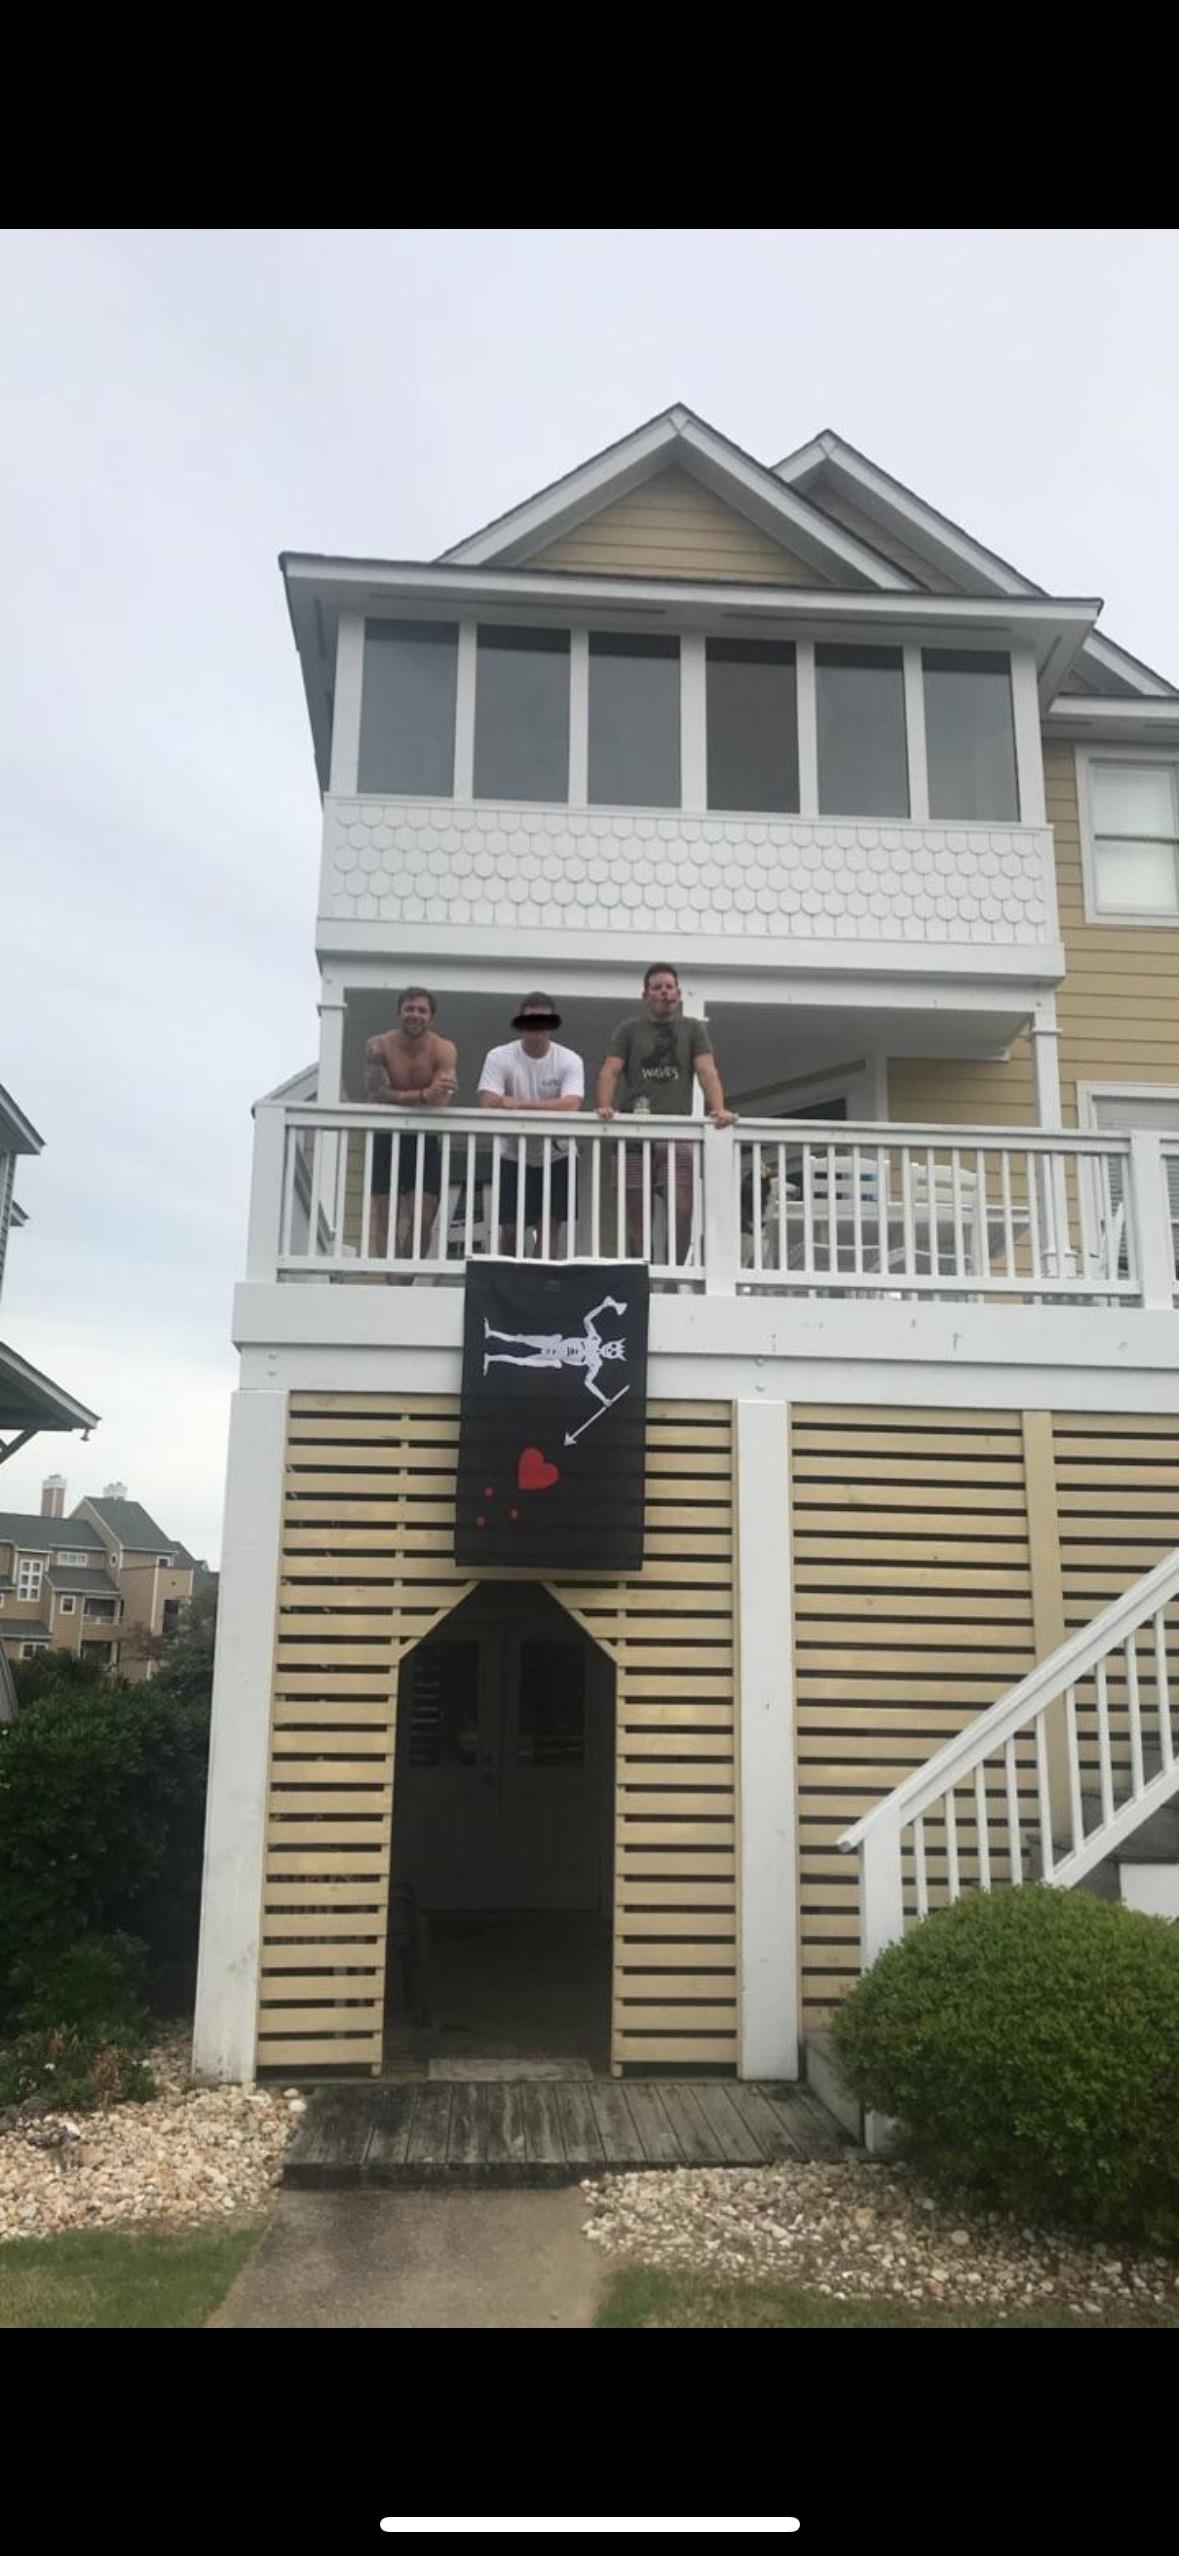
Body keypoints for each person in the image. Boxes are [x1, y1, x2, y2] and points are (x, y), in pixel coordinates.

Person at [597, 963, 735, 1265]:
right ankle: (643, 1274)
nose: (664, 992)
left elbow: (706, 1070)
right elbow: (611, 1070)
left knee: (681, 1208)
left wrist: (719, 1109)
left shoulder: (692, 1029)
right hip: (634, 1134)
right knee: (637, 1214)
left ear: (679, 993)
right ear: (646, 995)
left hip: (675, 1133)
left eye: (669, 987)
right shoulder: (629, 1030)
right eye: (657, 987)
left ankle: (673, 1274)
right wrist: (606, 1105)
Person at [477, 993, 584, 1255]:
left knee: (549, 1227)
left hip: (558, 1155)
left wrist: (520, 1104)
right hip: (512, 1152)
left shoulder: (569, 1059)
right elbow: (488, 1101)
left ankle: (542, 1285)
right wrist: (541, 1107)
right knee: (510, 1229)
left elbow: (572, 1104)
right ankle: (514, 1284)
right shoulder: (499, 1056)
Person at [364, 988, 457, 1264]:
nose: (415, 1015)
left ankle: (406, 1276)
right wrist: (421, 1096)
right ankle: (392, 1279)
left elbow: (440, 1100)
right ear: (399, 1012)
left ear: (431, 1017)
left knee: (424, 1216)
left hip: (424, 1137)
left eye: (421, 1010)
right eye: (410, 1008)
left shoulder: (443, 1049)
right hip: (387, 1135)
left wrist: (428, 1096)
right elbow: (377, 1093)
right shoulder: (378, 1046)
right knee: (385, 1214)